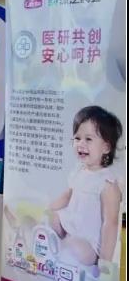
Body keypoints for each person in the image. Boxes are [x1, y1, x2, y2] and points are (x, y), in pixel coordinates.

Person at [48, 105, 123, 266]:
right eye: (77, 138)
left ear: (106, 147)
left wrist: (105, 263)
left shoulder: (107, 183)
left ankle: (59, 247)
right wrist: (49, 209)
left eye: (88, 139)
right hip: (72, 226)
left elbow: (110, 223)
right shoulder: (79, 171)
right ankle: (52, 242)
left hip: (89, 243)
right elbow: (68, 195)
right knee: (50, 219)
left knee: (74, 247)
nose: (81, 144)